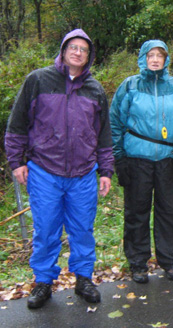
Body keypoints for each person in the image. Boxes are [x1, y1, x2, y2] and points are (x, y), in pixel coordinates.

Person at [4, 29, 113, 309]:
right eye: (73, 47)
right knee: (46, 229)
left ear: (89, 57)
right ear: (63, 51)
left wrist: (106, 171)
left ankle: (84, 278)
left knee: (82, 229)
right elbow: (17, 126)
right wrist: (16, 162)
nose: (78, 53)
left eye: (84, 49)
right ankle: (43, 282)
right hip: (44, 172)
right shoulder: (38, 80)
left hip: (83, 174)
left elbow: (103, 136)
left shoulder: (95, 90)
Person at [110, 40, 173, 284]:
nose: (155, 59)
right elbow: (115, 121)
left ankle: (169, 260)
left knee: (169, 210)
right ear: (143, 58)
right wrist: (119, 157)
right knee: (137, 211)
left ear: (167, 59)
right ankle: (138, 263)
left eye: (160, 55)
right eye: (151, 55)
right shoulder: (130, 86)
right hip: (137, 159)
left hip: (169, 159)